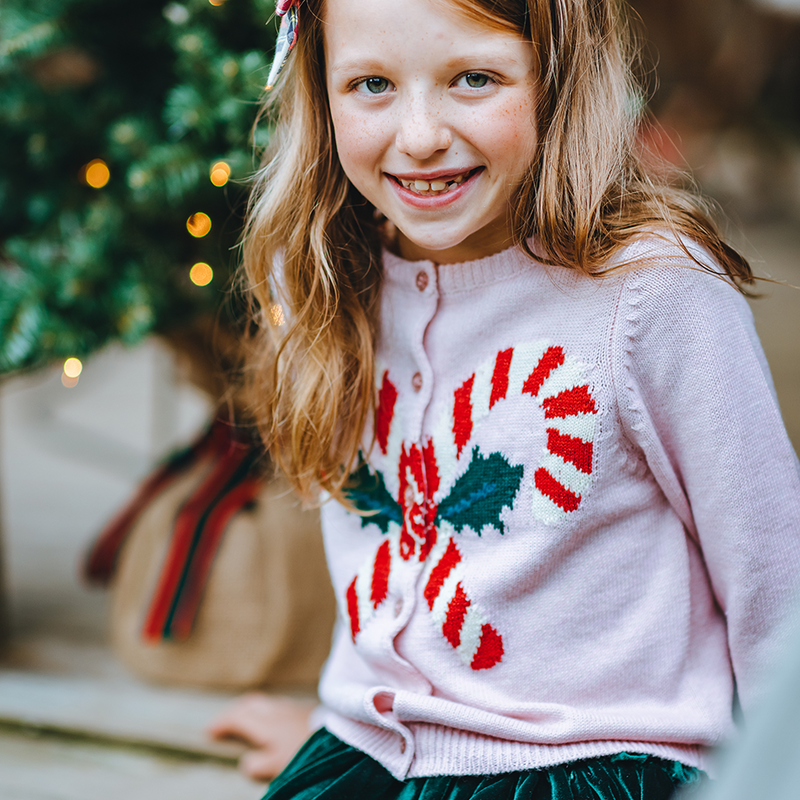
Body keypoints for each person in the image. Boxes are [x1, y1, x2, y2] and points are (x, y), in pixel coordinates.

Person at [214, 0, 800, 796]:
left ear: (557, 75)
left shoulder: (651, 294)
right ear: (319, 94)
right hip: (372, 750)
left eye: (475, 78)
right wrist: (338, 726)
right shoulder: (321, 274)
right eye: (372, 85)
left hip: (593, 763)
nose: (419, 135)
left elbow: (775, 582)